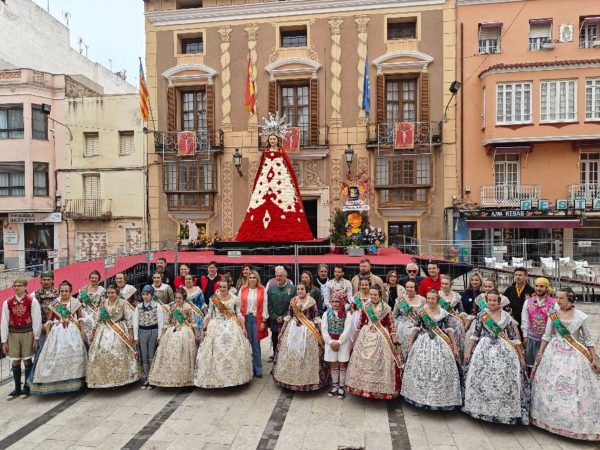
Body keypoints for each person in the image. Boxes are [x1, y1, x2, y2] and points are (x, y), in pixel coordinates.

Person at [531, 287, 600, 440]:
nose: (557, 301)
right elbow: (547, 335)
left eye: (561, 298)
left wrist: (594, 358)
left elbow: (588, 339)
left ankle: (573, 426)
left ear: (570, 299)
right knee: (550, 386)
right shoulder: (553, 314)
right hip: (553, 354)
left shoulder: (581, 317)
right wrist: (540, 354)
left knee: (574, 389)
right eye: (557, 298)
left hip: (574, 355)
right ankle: (548, 421)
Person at [235, 121, 314, 242]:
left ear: (278, 140)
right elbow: (261, 167)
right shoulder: (265, 153)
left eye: (274, 139)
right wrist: (259, 182)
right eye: (270, 139)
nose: (272, 141)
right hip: (265, 182)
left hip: (280, 180)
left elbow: (288, 166)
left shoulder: (281, 152)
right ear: (268, 140)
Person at [463, 290, 529, 425]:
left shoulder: (506, 316)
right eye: (490, 300)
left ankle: (502, 412)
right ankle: (482, 410)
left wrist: (521, 357)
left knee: (503, 378)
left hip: (503, 350)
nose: (492, 303)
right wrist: (468, 351)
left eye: (495, 300)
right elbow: (475, 335)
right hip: (484, 349)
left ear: (499, 303)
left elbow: (513, 337)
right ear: (486, 301)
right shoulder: (482, 315)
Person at [401, 290, 462, 410]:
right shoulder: (421, 311)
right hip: (423, 343)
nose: (430, 300)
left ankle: (439, 399)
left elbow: (449, 330)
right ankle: (419, 398)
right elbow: (416, 327)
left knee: (439, 369)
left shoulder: (444, 313)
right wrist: (410, 343)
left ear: (437, 299)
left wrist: (455, 347)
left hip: (440, 344)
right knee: (422, 368)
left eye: (432, 298)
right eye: (428, 298)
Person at [27, 281, 87, 395]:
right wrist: (49, 334)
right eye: (62, 291)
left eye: (66, 291)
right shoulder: (55, 303)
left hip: (72, 331)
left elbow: (80, 318)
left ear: (70, 291)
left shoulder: (75, 302)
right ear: (59, 291)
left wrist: (82, 332)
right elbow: (49, 321)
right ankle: (54, 384)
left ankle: (74, 382)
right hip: (57, 331)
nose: (64, 293)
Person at [345, 285, 402, 400]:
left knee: (379, 363)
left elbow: (391, 327)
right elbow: (360, 324)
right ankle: (363, 387)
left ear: (380, 295)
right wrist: (356, 340)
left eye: (375, 294)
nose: (373, 296)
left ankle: (378, 390)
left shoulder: (386, 308)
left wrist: (396, 345)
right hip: (365, 336)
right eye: (371, 294)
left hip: (381, 338)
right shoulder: (366, 306)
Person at [194, 279, 253, 388]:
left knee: (233, 348)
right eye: (220, 287)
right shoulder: (214, 299)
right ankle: (215, 378)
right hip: (216, 325)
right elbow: (210, 313)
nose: (222, 289)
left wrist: (243, 328)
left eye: (224, 287)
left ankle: (235, 378)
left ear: (228, 287)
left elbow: (238, 314)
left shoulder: (235, 299)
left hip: (232, 324)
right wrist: (205, 326)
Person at [273, 283, 329, 391]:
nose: (300, 291)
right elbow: (289, 316)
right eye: (298, 289)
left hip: (308, 330)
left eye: (302, 289)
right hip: (292, 329)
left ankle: (309, 381)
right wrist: (282, 330)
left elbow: (316, 317)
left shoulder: (311, 301)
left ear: (306, 289)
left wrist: (321, 331)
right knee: (291, 351)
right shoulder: (293, 301)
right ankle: (290, 379)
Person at [86, 284, 141, 388]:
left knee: (118, 354)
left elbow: (129, 319)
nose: (110, 295)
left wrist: (130, 333)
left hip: (119, 330)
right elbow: (98, 319)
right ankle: (104, 380)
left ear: (117, 293)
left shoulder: (123, 303)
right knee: (102, 354)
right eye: (108, 293)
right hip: (104, 330)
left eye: (112, 293)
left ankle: (120, 379)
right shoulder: (103, 303)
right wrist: (93, 332)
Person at [149, 288, 199, 388]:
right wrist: (162, 335)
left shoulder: (188, 307)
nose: (178, 300)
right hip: (173, 330)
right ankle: (169, 378)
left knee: (183, 354)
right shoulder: (173, 307)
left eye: (180, 298)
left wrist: (196, 335)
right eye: (176, 298)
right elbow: (167, 321)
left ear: (183, 298)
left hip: (185, 331)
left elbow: (193, 322)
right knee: (170, 353)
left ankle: (184, 379)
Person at [1, 278, 42, 400]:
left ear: (25, 287)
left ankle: (27, 388)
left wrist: (36, 337)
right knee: (15, 361)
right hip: (13, 333)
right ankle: (17, 388)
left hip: (28, 332)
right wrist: (4, 341)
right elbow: (4, 322)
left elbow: (37, 319)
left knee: (27, 360)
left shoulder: (32, 301)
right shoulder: (7, 302)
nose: (17, 288)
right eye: (15, 286)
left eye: (19, 285)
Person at [321, 291, 352, 398]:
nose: (335, 304)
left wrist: (339, 342)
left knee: (342, 363)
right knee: (333, 363)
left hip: (342, 343)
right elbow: (324, 329)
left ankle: (342, 387)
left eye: (337, 301)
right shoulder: (326, 314)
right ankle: (335, 386)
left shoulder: (347, 314)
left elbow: (347, 330)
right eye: (333, 301)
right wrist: (330, 342)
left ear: (341, 302)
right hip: (330, 343)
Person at [133, 285, 165, 390]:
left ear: (151, 295)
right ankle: (146, 377)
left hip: (153, 331)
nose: (145, 296)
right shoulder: (138, 307)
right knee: (144, 356)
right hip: (142, 331)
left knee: (152, 355)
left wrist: (159, 336)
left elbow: (161, 322)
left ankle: (153, 378)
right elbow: (135, 322)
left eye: (147, 294)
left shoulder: (157, 306)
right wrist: (136, 337)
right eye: (143, 294)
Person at [521, 277, 556, 370]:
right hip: (532, 338)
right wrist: (525, 336)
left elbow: (555, 323)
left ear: (547, 288)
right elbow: (524, 320)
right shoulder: (528, 301)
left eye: (541, 286)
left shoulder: (553, 303)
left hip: (547, 340)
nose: (538, 288)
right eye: (536, 286)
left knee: (545, 366)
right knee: (531, 366)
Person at [239, 270, 268, 378]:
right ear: (248, 279)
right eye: (250, 277)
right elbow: (238, 304)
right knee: (247, 343)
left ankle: (258, 369)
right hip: (245, 318)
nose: (252, 279)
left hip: (257, 319)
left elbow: (265, 305)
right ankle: (248, 369)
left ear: (257, 279)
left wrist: (264, 320)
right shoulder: (243, 289)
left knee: (256, 344)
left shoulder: (262, 289)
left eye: (254, 277)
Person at [267, 266, 296, 361]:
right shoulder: (271, 289)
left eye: (280, 276)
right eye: (276, 276)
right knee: (275, 343)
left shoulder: (292, 289)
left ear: (285, 276)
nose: (278, 278)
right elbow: (268, 305)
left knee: (287, 343)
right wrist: (275, 317)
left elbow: (293, 306)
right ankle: (275, 364)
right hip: (275, 322)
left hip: (287, 321)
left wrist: (284, 317)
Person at [392, 280, 425, 360]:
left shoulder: (422, 300)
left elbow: (424, 316)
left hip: (416, 327)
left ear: (415, 288)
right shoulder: (400, 299)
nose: (409, 289)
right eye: (407, 287)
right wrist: (397, 325)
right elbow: (394, 315)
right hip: (402, 328)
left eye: (411, 287)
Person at [438, 275, 467, 360]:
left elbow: (461, 310)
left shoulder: (456, 296)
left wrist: (465, 321)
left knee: (457, 345)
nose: (444, 285)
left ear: (450, 284)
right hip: (441, 322)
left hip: (455, 323)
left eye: (446, 284)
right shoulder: (437, 295)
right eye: (442, 283)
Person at [77, 270, 106, 342]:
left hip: (96, 314)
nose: (94, 279)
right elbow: (77, 302)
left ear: (99, 279)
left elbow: (103, 304)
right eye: (92, 278)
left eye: (96, 278)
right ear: (89, 278)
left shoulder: (102, 290)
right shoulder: (83, 289)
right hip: (83, 314)